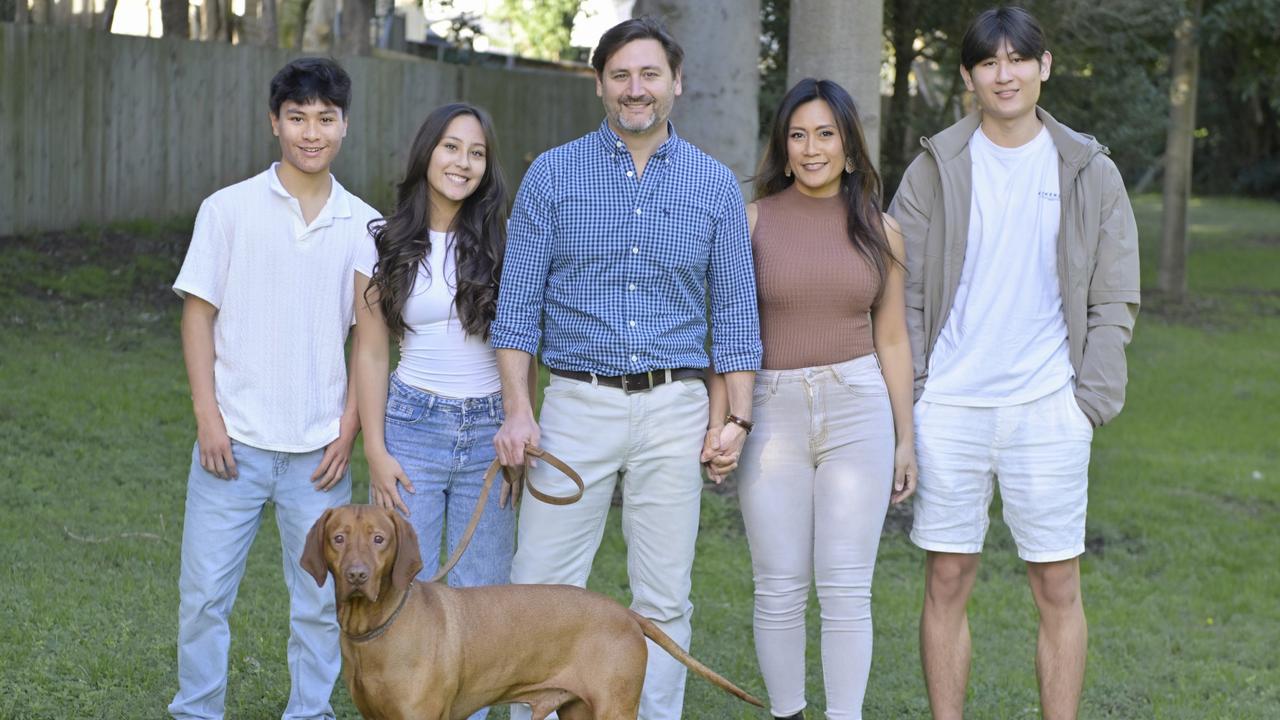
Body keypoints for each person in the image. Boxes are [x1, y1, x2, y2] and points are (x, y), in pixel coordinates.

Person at [489, 16, 762, 720]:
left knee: (665, 595)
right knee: (542, 587)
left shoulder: (715, 186)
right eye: (620, 75)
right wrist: (519, 409)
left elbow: (735, 316)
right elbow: (516, 311)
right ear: (599, 84)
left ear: (677, 82)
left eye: (649, 74)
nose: (635, 89)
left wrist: (736, 416)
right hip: (576, 406)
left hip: (674, 408)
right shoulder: (552, 175)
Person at [887, 7, 1140, 719]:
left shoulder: (1089, 168)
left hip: (1049, 407)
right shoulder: (935, 166)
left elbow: (1116, 292)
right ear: (969, 75)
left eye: (1018, 59)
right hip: (951, 406)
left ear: (1044, 67)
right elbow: (900, 291)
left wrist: (1086, 399)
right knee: (947, 578)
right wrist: (919, 395)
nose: (1006, 74)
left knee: (1058, 585)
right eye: (990, 62)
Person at [169, 57, 379, 720]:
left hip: (318, 454)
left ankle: (310, 712)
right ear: (274, 122)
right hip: (230, 443)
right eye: (296, 118)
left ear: (345, 125)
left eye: (325, 118)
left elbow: (369, 343)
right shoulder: (227, 210)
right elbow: (198, 314)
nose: (310, 133)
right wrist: (208, 417)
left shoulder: (366, 227)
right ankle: (198, 709)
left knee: (321, 602)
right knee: (203, 595)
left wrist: (347, 430)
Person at [708, 78, 916, 720]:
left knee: (847, 586)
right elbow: (726, 331)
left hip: (858, 407)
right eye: (798, 135)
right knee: (778, 584)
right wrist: (722, 422)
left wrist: (905, 438)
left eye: (826, 134)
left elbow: (893, 340)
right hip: (772, 410)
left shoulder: (884, 231)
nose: (811, 148)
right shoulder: (750, 221)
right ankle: (788, 713)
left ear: (850, 147)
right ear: (783, 145)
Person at [351, 105, 525, 697]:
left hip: (489, 435)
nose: (463, 163)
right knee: (401, 586)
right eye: (452, 148)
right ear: (427, 153)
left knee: (481, 599)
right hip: (413, 426)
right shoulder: (381, 240)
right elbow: (371, 353)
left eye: (476, 153)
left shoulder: (506, 242)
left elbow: (520, 339)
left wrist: (518, 421)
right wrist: (374, 448)